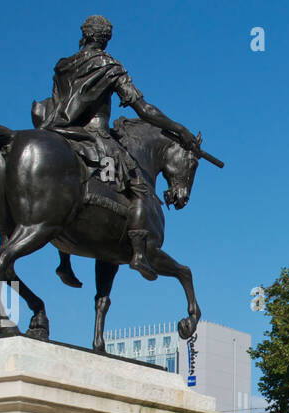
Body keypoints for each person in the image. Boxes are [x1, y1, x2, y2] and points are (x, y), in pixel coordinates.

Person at [31, 15, 201, 281]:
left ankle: (64, 260)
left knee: (63, 183)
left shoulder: (63, 65)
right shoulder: (108, 65)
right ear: (106, 39)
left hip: (58, 130)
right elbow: (143, 109)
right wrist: (178, 129)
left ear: (85, 35)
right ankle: (139, 255)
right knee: (141, 185)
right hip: (94, 134)